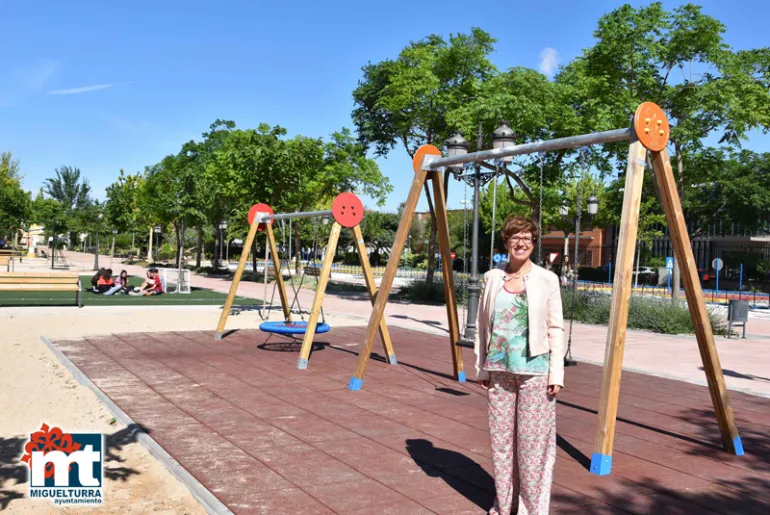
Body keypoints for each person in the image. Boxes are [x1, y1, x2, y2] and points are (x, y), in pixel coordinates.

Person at [474, 215, 565, 515]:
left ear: (534, 242)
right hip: (499, 370)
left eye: (526, 237)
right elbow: (481, 325)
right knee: (501, 446)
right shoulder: (492, 278)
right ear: (506, 242)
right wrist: (482, 367)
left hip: (535, 372)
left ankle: (531, 509)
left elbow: (555, 328)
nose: (521, 242)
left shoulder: (546, 280)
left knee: (531, 448)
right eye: (515, 237)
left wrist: (557, 372)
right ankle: (504, 504)